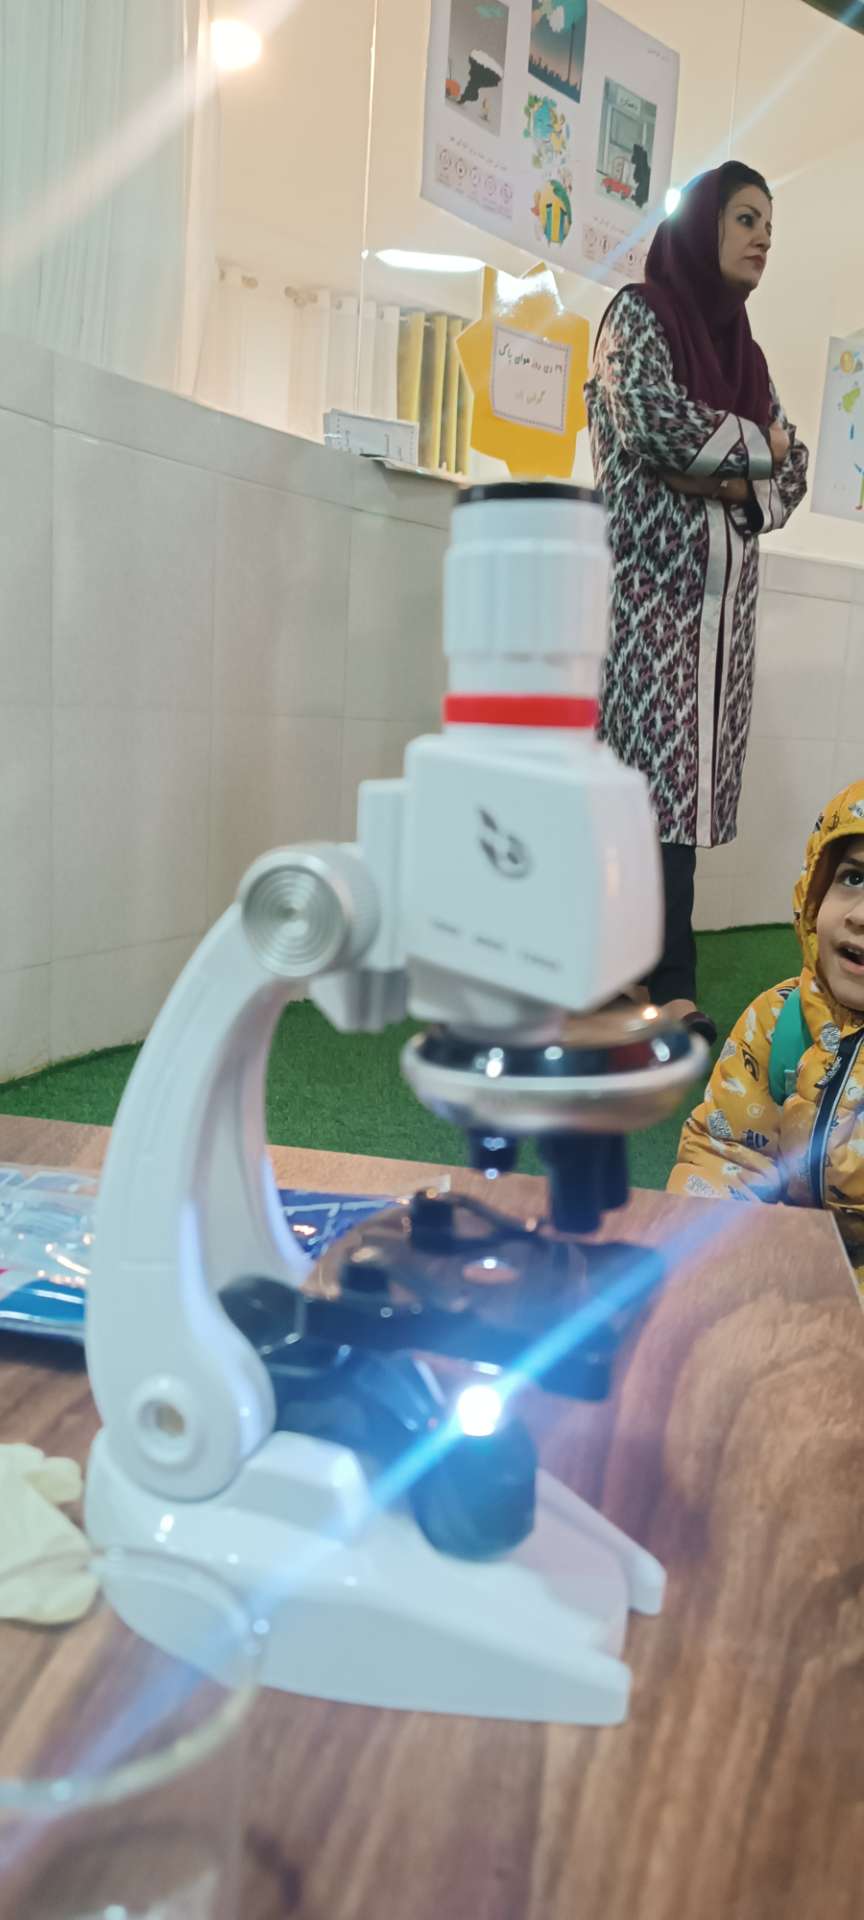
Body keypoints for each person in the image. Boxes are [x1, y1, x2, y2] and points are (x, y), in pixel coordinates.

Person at [585, 162, 809, 1042]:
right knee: (641, 791)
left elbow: (793, 473)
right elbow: (654, 421)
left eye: (769, 226)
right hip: (646, 599)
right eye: (746, 218)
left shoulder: (744, 353)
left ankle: (645, 978)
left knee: (676, 798)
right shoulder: (638, 317)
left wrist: (724, 471)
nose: (762, 238)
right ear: (702, 225)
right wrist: (757, 451)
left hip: (719, 618)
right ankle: (650, 982)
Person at [668, 781, 864, 1281]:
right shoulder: (779, 1019)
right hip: (790, 1261)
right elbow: (724, 1154)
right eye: (853, 877)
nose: (860, 915)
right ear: (814, 894)